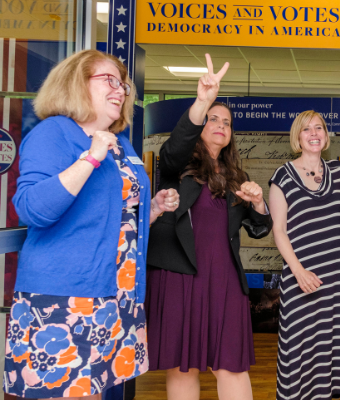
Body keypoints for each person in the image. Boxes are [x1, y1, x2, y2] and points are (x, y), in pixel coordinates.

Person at [4, 49, 179, 399]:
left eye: (123, 85)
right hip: (67, 295)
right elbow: (32, 209)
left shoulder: (121, 144)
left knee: (95, 390)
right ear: (75, 84)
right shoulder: (54, 133)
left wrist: (151, 209)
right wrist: (91, 157)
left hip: (118, 292)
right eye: (109, 80)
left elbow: (110, 210)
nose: (120, 90)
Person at [145, 54, 272, 400]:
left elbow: (260, 229)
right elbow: (173, 148)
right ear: (200, 126)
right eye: (213, 119)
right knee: (182, 365)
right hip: (179, 275)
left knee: (231, 364)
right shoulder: (179, 165)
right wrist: (203, 101)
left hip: (225, 279)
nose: (220, 124)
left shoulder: (238, 178)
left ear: (231, 135)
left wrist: (258, 203)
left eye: (227, 122)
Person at [268, 104, 340, 400]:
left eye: (318, 127)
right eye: (307, 128)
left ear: (326, 135)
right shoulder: (282, 176)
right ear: (298, 137)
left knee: (329, 356)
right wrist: (298, 271)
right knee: (300, 354)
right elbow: (278, 231)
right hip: (300, 279)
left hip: (334, 282)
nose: (313, 133)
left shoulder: (336, 170)